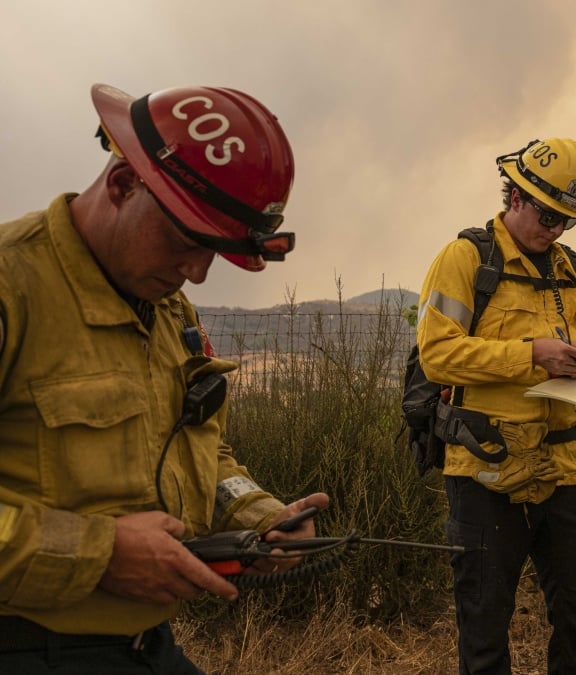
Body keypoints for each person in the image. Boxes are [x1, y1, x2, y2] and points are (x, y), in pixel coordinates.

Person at [0, 83, 330, 673]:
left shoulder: (167, 308)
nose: (197, 276)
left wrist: (257, 518)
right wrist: (99, 555)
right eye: (187, 241)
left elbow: (201, 449)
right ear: (123, 185)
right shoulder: (12, 287)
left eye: (217, 253)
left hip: (144, 646)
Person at [416, 138, 576, 674]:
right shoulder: (465, 259)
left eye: (568, 221)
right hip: (485, 471)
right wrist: (532, 356)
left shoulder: (571, 269)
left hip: (564, 471)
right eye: (549, 214)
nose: (555, 229)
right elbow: (437, 355)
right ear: (517, 197)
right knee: (484, 632)